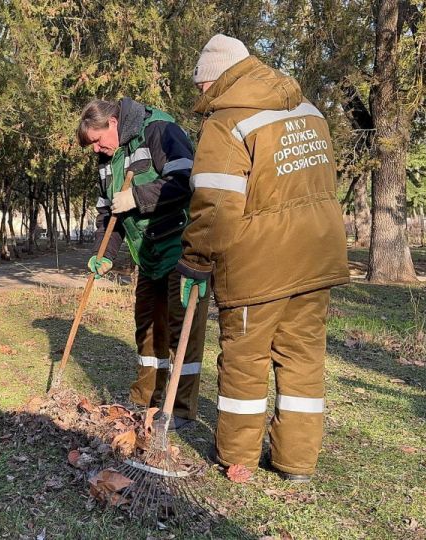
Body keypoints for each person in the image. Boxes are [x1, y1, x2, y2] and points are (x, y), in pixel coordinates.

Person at [176, 35, 349, 482]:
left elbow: (215, 205)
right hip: (317, 258)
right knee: (303, 360)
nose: (201, 96)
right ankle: (297, 462)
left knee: (245, 361)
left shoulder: (229, 121)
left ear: (214, 78)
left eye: (200, 87)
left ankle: (238, 457)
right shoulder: (309, 111)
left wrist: (195, 260)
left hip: (259, 266)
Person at [77, 97, 210, 430]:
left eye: (97, 140)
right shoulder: (107, 159)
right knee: (148, 328)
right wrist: (104, 254)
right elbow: (109, 214)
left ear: (112, 123)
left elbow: (185, 182)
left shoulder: (159, 130)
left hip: (182, 247)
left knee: (182, 332)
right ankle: (145, 399)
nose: (96, 150)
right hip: (148, 252)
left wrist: (136, 196)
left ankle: (179, 410)